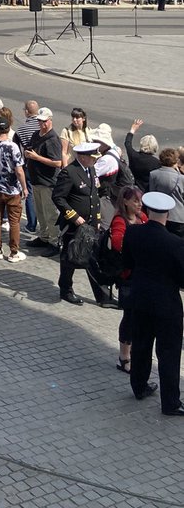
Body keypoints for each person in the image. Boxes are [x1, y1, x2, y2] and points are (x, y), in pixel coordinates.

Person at [122, 190, 184, 415]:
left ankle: (138, 387)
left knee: (141, 345)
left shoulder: (133, 233)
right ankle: (170, 403)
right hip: (167, 304)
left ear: (147, 210)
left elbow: (127, 262)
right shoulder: (175, 243)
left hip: (139, 298)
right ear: (167, 213)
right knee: (168, 352)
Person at [53, 141, 102, 305]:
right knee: (70, 258)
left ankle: (102, 295)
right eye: (92, 157)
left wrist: (97, 219)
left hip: (91, 224)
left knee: (92, 259)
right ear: (82, 157)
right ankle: (66, 289)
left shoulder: (91, 169)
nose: (95, 160)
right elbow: (58, 197)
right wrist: (74, 217)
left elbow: (94, 195)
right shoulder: (69, 173)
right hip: (74, 226)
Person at [108, 186, 147, 375]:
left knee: (137, 317)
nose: (140, 204)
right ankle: (124, 357)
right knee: (129, 317)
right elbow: (117, 243)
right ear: (125, 202)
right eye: (135, 201)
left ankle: (132, 353)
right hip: (128, 278)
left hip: (141, 277)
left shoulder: (142, 218)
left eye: (140, 200)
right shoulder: (120, 221)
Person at [0, 116, 28, 262]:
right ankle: (14, 252)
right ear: (9, 129)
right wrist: (25, 187)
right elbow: (19, 170)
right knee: (14, 221)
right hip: (12, 189)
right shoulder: (12, 146)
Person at [23, 107, 62, 253]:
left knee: (50, 214)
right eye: (39, 121)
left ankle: (54, 242)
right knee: (40, 212)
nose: (41, 124)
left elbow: (58, 163)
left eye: (44, 121)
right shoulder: (36, 134)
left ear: (50, 121)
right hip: (36, 180)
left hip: (48, 182)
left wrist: (36, 157)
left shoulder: (53, 139)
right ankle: (44, 236)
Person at [125, 119, 162, 191]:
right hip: (148, 191)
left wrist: (132, 130)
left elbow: (127, 144)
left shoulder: (134, 156)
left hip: (134, 189)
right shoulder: (156, 162)